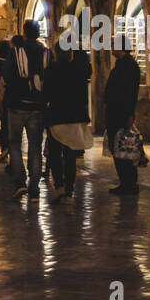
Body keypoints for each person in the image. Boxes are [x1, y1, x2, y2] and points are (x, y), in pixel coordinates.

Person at [0, 23, 49, 201]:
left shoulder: (16, 52)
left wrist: (0, 101)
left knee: (15, 145)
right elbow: (49, 79)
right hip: (37, 107)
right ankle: (34, 189)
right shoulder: (46, 53)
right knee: (35, 147)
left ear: (24, 33)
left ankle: (20, 183)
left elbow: (5, 78)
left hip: (16, 105)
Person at [42, 42, 90, 201]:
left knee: (55, 153)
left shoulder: (50, 70)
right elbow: (83, 94)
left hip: (56, 116)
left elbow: (46, 94)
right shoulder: (77, 70)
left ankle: (58, 186)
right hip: (74, 116)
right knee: (70, 156)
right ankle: (69, 189)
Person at [104, 39, 141, 196]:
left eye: (114, 46)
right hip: (116, 112)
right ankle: (126, 182)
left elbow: (128, 93)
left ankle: (129, 183)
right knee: (119, 148)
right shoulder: (123, 65)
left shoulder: (128, 67)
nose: (111, 49)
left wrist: (129, 114)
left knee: (123, 148)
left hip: (120, 113)